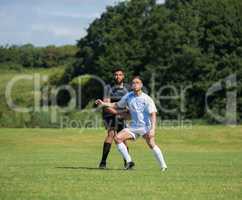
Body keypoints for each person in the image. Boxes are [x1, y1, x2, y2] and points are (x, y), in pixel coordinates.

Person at [96, 76, 167, 171]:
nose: (135, 84)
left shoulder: (147, 98)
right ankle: (129, 162)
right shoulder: (128, 96)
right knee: (117, 138)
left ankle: (163, 166)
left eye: (137, 82)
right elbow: (116, 104)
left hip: (146, 127)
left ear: (141, 85)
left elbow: (153, 114)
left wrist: (153, 129)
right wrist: (103, 103)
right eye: (133, 83)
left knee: (151, 144)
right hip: (133, 127)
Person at [98, 68, 132, 169]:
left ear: (123, 76)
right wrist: (118, 113)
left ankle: (127, 162)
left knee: (122, 137)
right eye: (116, 74)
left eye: (120, 74)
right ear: (114, 76)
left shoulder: (127, 88)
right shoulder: (108, 88)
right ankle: (103, 162)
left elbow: (128, 104)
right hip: (110, 114)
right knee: (111, 133)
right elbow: (107, 105)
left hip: (121, 114)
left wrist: (126, 114)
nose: (118, 76)